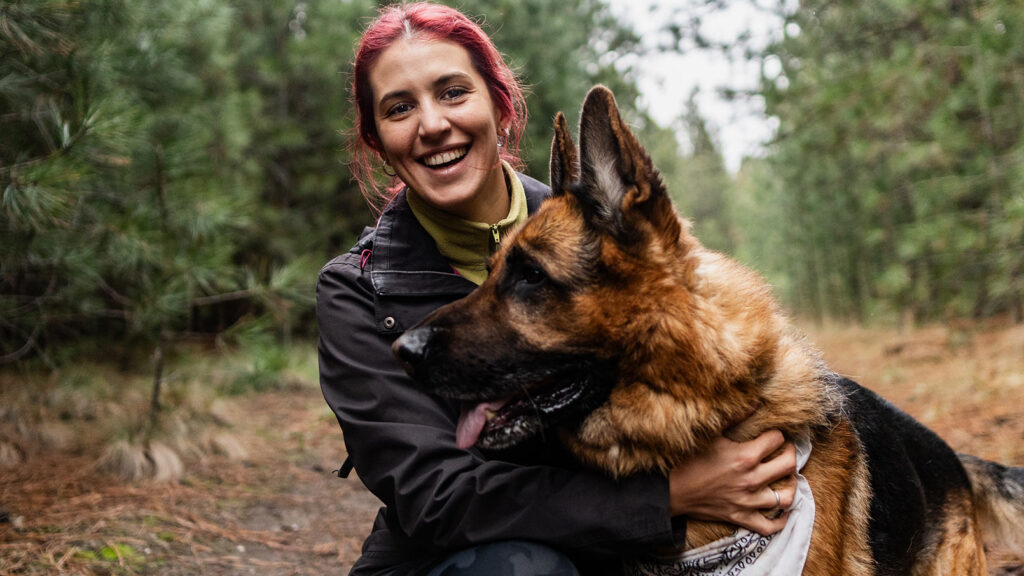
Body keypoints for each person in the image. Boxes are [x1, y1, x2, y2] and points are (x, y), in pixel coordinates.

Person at [317, 3, 798, 575]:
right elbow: (434, 497)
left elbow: (693, 333)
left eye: (452, 92)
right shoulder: (356, 289)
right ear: (378, 139)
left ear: (499, 104)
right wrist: (665, 496)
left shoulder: (595, 232)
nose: (431, 124)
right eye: (399, 108)